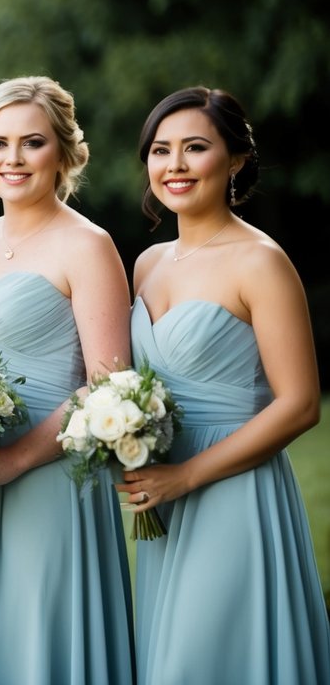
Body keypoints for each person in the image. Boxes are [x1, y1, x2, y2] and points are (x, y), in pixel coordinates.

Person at [119, 86, 330, 683]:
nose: (175, 166)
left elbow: (300, 405)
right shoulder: (149, 264)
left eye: (195, 148)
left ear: (235, 160)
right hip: (161, 495)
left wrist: (186, 475)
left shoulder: (260, 261)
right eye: (161, 151)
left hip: (232, 491)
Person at [0, 76, 134, 684]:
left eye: (32, 142)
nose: (12, 159)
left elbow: (108, 384)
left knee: (39, 641)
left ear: (65, 153)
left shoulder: (88, 245)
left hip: (48, 472)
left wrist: (14, 459)